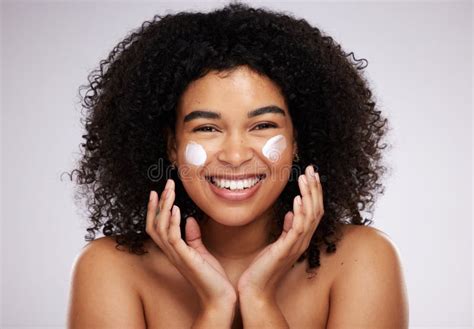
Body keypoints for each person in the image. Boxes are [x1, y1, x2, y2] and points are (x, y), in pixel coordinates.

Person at [65, 2, 409, 328]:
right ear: (172, 145)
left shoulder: (363, 261)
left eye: (262, 126)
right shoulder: (110, 268)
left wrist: (258, 298)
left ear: (298, 141)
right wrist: (216, 307)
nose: (235, 155)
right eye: (207, 128)